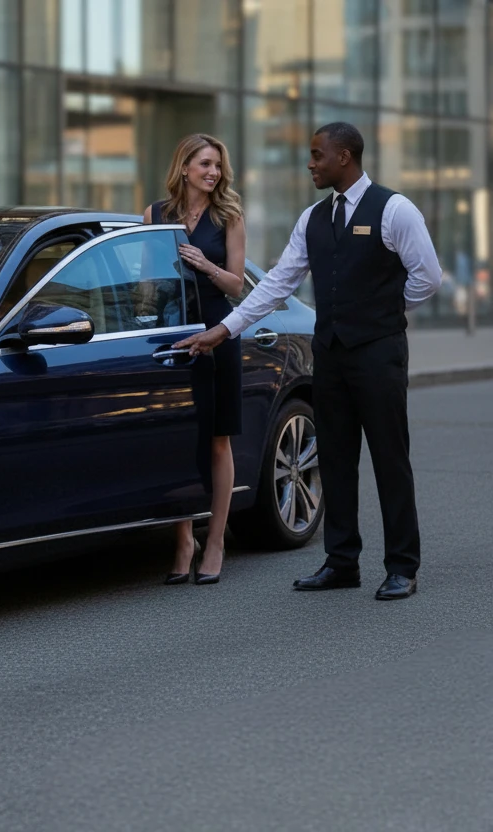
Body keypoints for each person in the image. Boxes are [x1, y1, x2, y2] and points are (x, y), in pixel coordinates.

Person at [174, 122, 442, 600]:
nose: (310, 163)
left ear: (344, 157)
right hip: (330, 355)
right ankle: (342, 562)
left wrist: (383, 312)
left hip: (379, 354)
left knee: (389, 458)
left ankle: (402, 565)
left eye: (318, 155)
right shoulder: (313, 218)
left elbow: (428, 276)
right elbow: (278, 282)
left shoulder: (394, 209)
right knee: (334, 458)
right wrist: (225, 329)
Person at [146, 134, 246, 586]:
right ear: (184, 167)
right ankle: (184, 540)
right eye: (205, 164)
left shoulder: (229, 216)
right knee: (180, 438)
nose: (214, 172)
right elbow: (147, 283)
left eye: (218, 166)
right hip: (174, 336)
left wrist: (206, 265)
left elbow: (237, 285)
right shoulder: (155, 215)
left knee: (218, 441)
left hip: (218, 332)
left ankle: (217, 540)